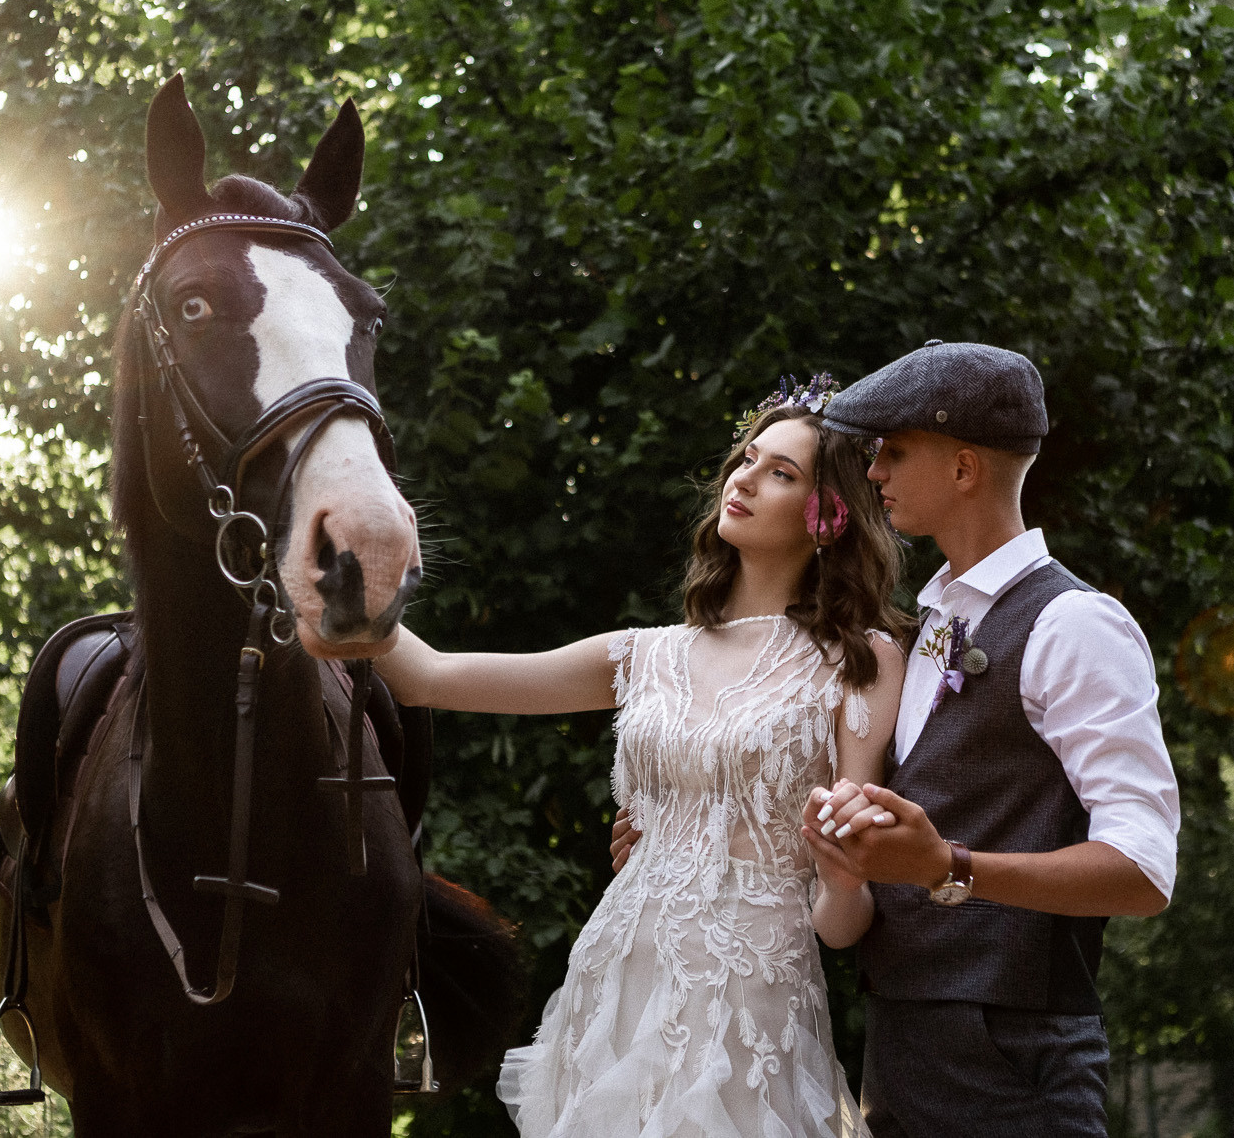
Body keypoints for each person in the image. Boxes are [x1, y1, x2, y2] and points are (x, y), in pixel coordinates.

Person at [615, 341, 1181, 1137]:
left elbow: (1143, 869)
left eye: (896, 451)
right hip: (901, 1051)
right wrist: (689, 825)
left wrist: (951, 867)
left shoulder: (1074, 625)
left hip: (1013, 1062)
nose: (873, 471)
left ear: (963, 468)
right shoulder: (923, 631)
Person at [375, 381, 911, 1138]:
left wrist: (847, 876)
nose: (744, 479)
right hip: (619, 978)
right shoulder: (645, 654)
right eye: (746, 458)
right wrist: (319, 568)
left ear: (830, 516)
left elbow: (841, 923)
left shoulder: (863, 661)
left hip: (750, 1005)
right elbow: (430, 675)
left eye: (781, 473)